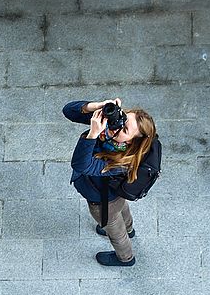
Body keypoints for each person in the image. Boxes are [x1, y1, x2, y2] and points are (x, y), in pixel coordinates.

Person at [63, 98, 158, 267]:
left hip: (103, 201)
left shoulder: (122, 162)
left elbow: (81, 165)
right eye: (122, 118)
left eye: (125, 129)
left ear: (131, 142)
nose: (117, 125)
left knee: (114, 229)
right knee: (122, 208)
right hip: (115, 193)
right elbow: (68, 111)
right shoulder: (108, 129)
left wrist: (92, 135)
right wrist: (95, 107)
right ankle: (130, 228)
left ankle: (126, 258)